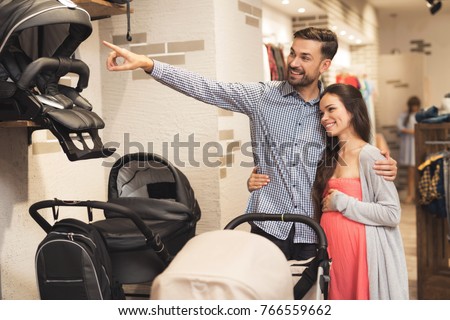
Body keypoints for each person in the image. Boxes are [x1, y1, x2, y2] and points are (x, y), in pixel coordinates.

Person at [103, 27, 397, 261]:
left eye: (304, 57)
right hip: (268, 223)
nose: (293, 62)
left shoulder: (331, 109)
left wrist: (381, 163)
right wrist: (149, 64)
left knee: (313, 299)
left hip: (317, 227)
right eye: (293, 53)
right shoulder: (261, 97)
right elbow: (206, 88)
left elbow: (357, 147)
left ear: (325, 64)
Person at [311, 83, 408, 300]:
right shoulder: (330, 156)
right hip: (333, 254)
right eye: (321, 112)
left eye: (331, 109)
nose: (324, 118)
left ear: (352, 110)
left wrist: (342, 203)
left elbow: (392, 213)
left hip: (360, 256)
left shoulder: (370, 155)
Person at [397, 96, 420, 204]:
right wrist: (413, 132)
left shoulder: (420, 115)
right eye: (413, 105)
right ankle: (410, 194)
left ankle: (416, 194)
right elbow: (400, 128)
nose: (414, 107)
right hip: (408, 145)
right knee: (410, 171)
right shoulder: (404, 115)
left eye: (416, 105)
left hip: (417, 144)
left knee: (417, 171)